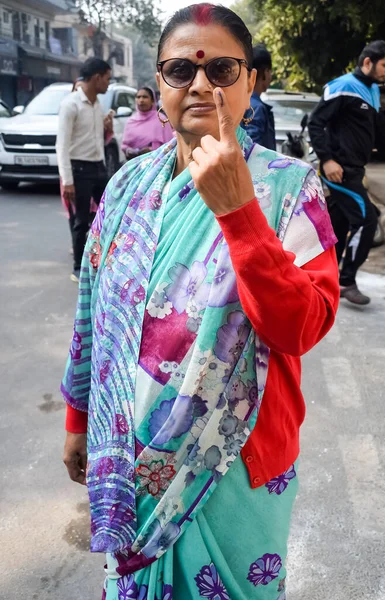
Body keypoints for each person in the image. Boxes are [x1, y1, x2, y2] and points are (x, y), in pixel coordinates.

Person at [61, 5, 339, 599]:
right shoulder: (126, 188)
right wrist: (78, 419)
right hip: (130, 453)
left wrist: (240, 212)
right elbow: (94, 314)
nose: (203, 86)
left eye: (223, 69)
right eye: (181, 70)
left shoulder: (291, 188)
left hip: (234, 466)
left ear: (250, 83)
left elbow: (302, 327)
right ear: (160, 85)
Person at [309, 40, 385, 305]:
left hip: (355, 170)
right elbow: (316, 123)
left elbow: (380, 134)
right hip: (339, 171)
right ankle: (346, 280)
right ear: (368, 62)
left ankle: (324, 277)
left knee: (338, 225)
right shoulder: (342, 86)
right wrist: (327, 160)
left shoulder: (371, 91)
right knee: (367, 220)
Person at [56, 58, 112, 283]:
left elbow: (96, 139)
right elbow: (61, 144)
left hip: (98, 167)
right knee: (80, 220)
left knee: (110, 212)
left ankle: (107, 256)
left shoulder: (97, 104)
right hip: (79, 170)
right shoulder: (71, 104)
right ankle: (78, 267)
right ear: (97, 77)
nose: (108, 84)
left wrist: (106, 125)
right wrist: (67, 180)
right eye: (107, 79)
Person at [121, 86, 174, 159]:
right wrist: (132, 151)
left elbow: (170, 145)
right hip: (135, 164)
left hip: (157, 163)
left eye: (145, 97)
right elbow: (124, 146)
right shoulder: (131, 121)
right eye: (138, 97)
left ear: (153, 101)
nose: (141, 100)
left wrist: (152, 150)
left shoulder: (161, 119)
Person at [243, 43, 276, 150]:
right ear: (265, 73)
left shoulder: (241, 101)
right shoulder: (257, 108)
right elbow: (253, 148)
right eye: (270, 72)